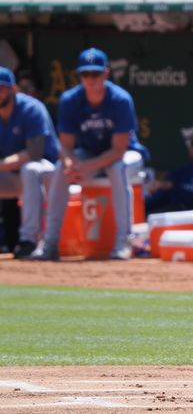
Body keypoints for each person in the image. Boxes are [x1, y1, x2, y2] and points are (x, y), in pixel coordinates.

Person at [31, 48, 148, 261]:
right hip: (88, 155)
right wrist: (70, 164)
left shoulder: (120, 99)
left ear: (106, 74)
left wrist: (86, 166)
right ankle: (50, 242)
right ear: (80, 76)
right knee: (59, 170)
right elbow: (66, 146)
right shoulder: (70, 99)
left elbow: (118, 150)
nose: (91, 79)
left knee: (116, 168)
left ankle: (123, 240)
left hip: (126, 155)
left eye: (96, 73)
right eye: (86, 74)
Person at [0, 68, 59, 259]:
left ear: (13, 89)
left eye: (1, 88)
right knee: (25, 171)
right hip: (11, 176)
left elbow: (34, 152)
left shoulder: (32, 108)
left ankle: (28, 240)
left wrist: (2, 165)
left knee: (30, 168)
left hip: (47, 172)